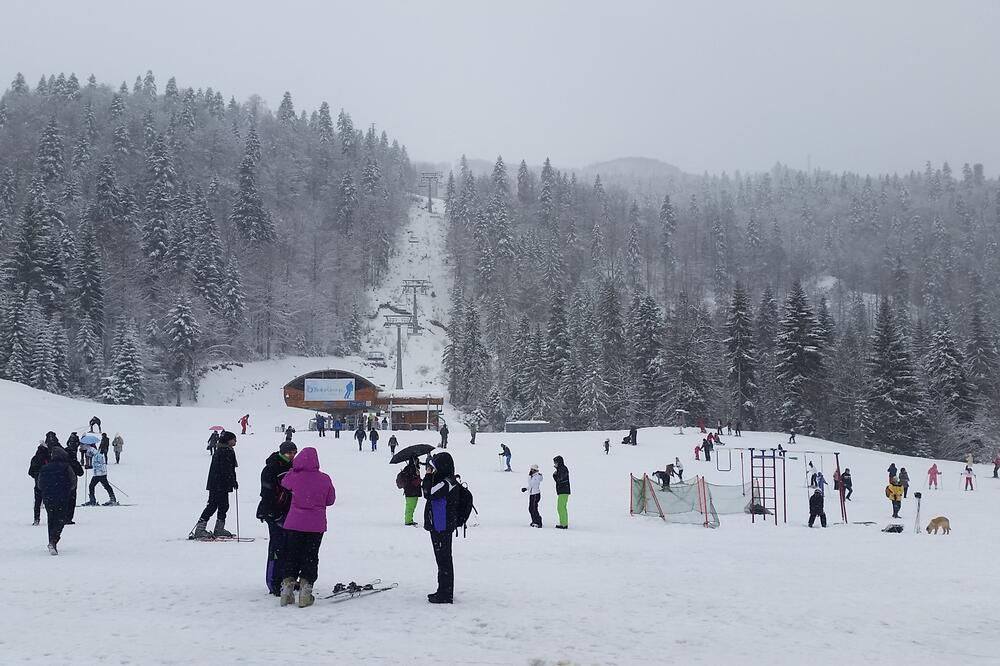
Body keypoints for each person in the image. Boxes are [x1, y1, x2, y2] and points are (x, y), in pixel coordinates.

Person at [279, 447, 336, 608]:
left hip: (294, 523)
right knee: (310, 556)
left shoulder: (294, 476)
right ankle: (305, 593)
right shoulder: (324, 478)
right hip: (315, 525)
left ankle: (287, 592)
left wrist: (294, 470)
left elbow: (284, 483)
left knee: (291, 555)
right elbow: (330, 500)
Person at [257, 441, 296, 596]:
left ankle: (287, 579)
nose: (292, 456)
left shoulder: (294, 467)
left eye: (294, 453)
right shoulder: (272, 467)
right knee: (277, 547)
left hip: (289, 512)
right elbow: (267, 493)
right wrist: (274, 512)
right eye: (289, 453)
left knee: (289, 547)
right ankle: (274, 581)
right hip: (274, 512)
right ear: (282, 452)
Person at [423, 451, 460, 603]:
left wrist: (428, 475)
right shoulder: (446, 480)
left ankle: (445, 593)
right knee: (443, 560)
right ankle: (443, 590)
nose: (434, 470)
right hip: (441, 525)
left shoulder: (447, 483)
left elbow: (428, 492)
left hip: (442, 527)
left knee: (444, 560)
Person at [191, 431, 239, 538]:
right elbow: (226, 469)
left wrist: (232, 480)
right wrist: (232, 481)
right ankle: (200, 529)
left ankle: (219, 528)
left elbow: (229, 469)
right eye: (234, 439)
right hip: (218, 484)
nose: (235, 441)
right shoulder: (225, 451)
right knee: (213, 505)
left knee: (223, 505)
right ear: (228, 440)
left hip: (219, 483)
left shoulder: (224, 450)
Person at [38, 447, 77, 555]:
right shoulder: (66, 467)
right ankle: (54, 540)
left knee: (51, 519)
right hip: (62, 497)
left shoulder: (45, 468)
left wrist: (47, 490)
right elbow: (73, 482)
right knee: (61, 518)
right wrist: (67, 489)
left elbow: (40, 484)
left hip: (48, 497)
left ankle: (51, 540)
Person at [396, 458, 423, 526]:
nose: (418, 462)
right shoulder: (411, 469)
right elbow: (412, 482)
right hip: (411, 492)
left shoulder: (410, 468)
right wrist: (419, 479)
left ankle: (409, 519)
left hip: (411, 491)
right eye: (417, 461)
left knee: (411, 506)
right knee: (410, 507)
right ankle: (408, 521)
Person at [28, 444, 50, 526]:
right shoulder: (48, 458)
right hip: (48, 484)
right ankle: (50, 519)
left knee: (37, 503)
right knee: (48, 503)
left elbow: (30, 472)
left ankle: (36, 519)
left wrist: (36, 476)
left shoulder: (35, 458)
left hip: (38, 483)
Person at [553, 455, 571, 529]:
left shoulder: (562, 469)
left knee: (560, 507)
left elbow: (559, 479)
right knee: (562, 507)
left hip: (563, 491)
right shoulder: (561, 469)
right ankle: (563, 523)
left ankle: (563, 524)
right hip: (563, 491)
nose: (554, 464)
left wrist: (554, 475)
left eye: (555, 462)